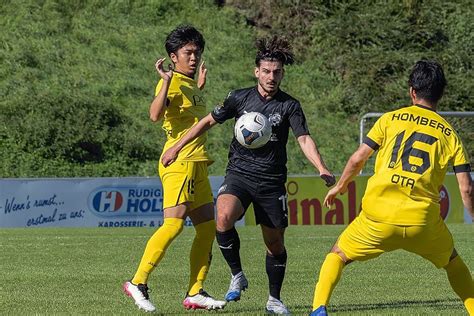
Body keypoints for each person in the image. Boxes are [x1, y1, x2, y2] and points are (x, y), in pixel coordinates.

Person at [161, 36, 336, 314]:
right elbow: (207, 121)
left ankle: (274, 300)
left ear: (282, 73)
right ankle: (237, 274)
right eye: (266, 71)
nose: (271, 77)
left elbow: (303, 138)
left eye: (277, 72)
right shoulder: (238, 97)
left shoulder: (289, 105)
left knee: (275, 243)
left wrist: (321, 167)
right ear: (257, 72)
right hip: (239, 174)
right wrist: (176, 147)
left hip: (271, 181)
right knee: (222, 217)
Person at [310, 60, 474, 316]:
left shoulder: (389, 119)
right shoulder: (450, 134)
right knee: (453, 263)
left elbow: (357, 159)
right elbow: (466, 189)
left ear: (412, 91)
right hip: (422, 221)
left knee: (338, 254)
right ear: (441, 94)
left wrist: (339, 187)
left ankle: (318, 308)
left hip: (378, 218)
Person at [123, 25, 226, 313]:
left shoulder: (190, 84)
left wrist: (198, 87)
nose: (194, 58)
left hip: (198, 162)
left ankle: (196, 292)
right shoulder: (171, 82)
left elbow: (185, 115)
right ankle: (137, 282)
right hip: (179, 163)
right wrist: (167, 81)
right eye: (188, 53)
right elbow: (155, 115)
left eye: (197, 52)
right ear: (173, 57)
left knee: (207, 229)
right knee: (174, 224)